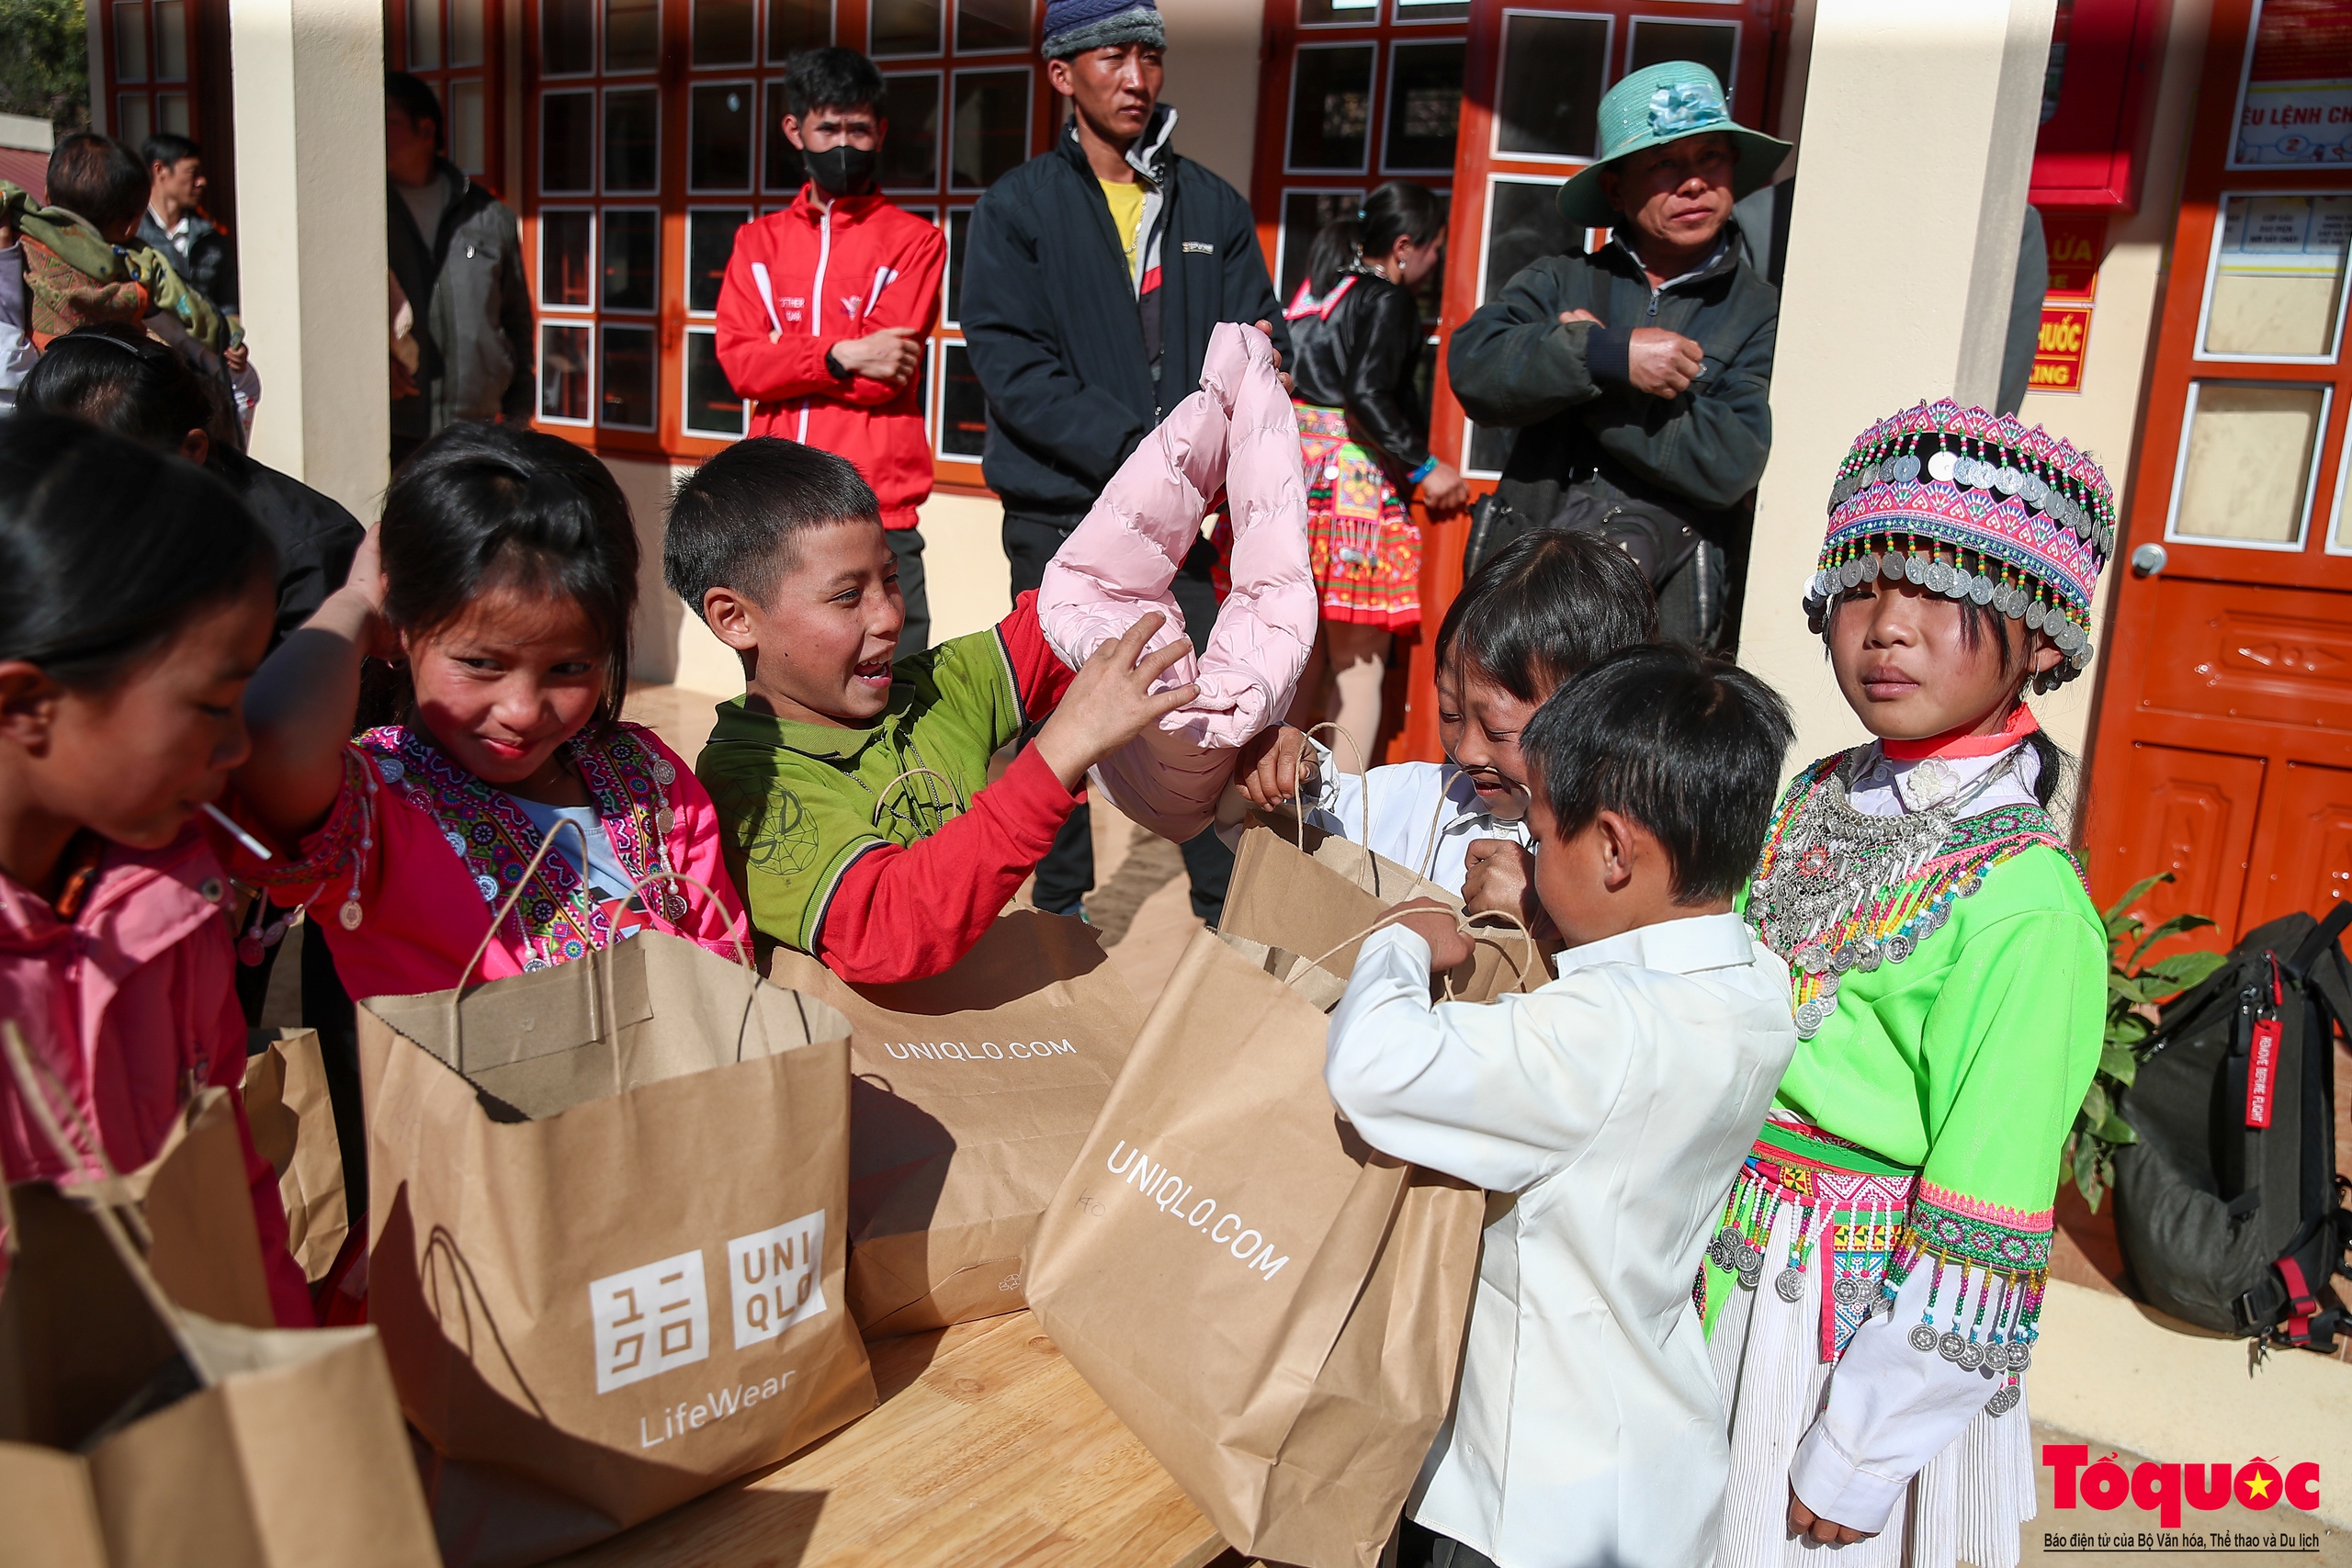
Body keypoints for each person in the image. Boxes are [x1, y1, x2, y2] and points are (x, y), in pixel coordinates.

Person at [1706, 400, 2111, 1568]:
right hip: (1732, 1263)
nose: (1887, 629)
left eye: (1941, 590)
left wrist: (1865, 1448)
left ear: (2038, 631)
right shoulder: (1819, 793)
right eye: (1863, 589)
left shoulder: (2027, 908)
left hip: (1848, 1327)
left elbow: (1982, 1211)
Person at [1324, 643, 1798, 1568]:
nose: (1533, 860)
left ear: (1615, 850)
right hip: (1652, 1462)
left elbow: (1377, 1070)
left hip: (1524, 1496)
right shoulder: (1756, 985)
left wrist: (1397, 947)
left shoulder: (1600, 1031)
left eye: (1543, 840)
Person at [223, 423, 747, 1001]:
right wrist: (352, 604)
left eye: (569, 668)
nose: (522, 711)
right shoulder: (375, 811)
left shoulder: (646, 777)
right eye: (479, 662)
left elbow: (722, 968)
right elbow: (272, 740)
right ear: (401, 625)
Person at [962, 0, 1286, 926]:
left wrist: (1263, 356)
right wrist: (1149, 455)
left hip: (1179, 535)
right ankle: (1057, 918)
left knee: (1202, 723)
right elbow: (1013, 368)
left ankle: (1231, 934)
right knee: (1060, 725)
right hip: (1059, 522)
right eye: (1114, 58)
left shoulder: (1210, 206)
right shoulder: (1016, 209)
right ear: (1063, 75)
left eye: (1151, 57)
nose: (1138, 80)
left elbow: (1257, 329)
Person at [666, 437, 1197, 985]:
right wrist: (1058, 753)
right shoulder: (750, 784)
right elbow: (887, 927)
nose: (889, 616)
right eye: (848, 596)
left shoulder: (929, 691)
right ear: (734, 618)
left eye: (890, 580)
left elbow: (1070, 615)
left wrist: (1206, 433)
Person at [0, 412, 311, 1325]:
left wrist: (287, 1384)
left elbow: (226, 1187)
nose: (240, 747)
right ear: (28, 704)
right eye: (213, 706)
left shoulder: (174, 905)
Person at [1449, 62, 1786, 650]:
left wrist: (1592, 376)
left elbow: (1732, 461)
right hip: (1523, 612)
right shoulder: (1558, 279)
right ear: (1615, 189)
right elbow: (1475, 366)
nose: (1694, 183)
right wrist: (1605, 355)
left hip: (1664, 626)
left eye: (1711, 157)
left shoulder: (1761, 311)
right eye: (1664, 164)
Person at [1236, 529, 1655, 908]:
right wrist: (1287, 776)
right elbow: (1283, 832)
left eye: (1497, 730)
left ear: (1600, 717)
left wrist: (1549, 913)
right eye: (1450, 713)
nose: (1467, 750)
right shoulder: (1409, 800)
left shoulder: (1648, 845)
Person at [1035, 321, 1314, 846]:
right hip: (1066, 487)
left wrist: (1225, 403)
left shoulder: (1077, 614)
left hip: (1132, 757)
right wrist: (1240, 397)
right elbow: (1272, 576)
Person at [717, 48, 945, 660]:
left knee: (893, 690)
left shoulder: (916, 240)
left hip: (879, 513)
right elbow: (740, 365)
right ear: (795, 130)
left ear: (881, 132)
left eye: (859, 129)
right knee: (781, 696)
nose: (845, 142)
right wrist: (842, 353)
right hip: (778, 512)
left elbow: (885, 377)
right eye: (829, 127)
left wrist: (786, 360)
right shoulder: (756, 242)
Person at [19, 325, 364, 647]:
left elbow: (305, 704)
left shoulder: (306, 555)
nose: (71, 505)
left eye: (101, 483)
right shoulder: (42, 529)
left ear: (191, 451)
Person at [1282, 180, 1468, 768]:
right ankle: (1337, 827)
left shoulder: (1315, 291)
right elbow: (1365, 397)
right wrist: (1424, 466)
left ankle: (1262, 808)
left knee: (1299, 658)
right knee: (1358, 669)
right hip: (1349, 491)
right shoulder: (1384, 299)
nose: (1436, 262)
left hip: (1291, 478)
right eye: (1436, 249)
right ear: (1407, 245)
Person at [385, 72, 532, 467]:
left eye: (388, 122)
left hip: (478, 426)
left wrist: (517, 417)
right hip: (397, 425)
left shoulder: (488, 215)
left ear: (426, 128)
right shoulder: (366, 214)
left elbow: (516, 318)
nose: (375, 132)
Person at [137, 131, 238, 317]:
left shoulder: (211, 238)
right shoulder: (132, 233)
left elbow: (228, 304)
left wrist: (232, 338)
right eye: (193, 173)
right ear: (160, 170)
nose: (201, 182)